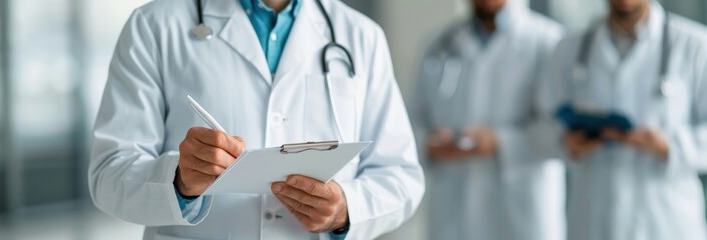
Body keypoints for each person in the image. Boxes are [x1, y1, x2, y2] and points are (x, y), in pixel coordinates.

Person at [88, 0, 425, 239]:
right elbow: (109, 175)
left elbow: (402, 178)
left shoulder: (361, 35)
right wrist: (179, 182)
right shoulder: (153, 25)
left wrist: (345, 209)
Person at [540, 0, 707, 239]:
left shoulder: (696, 45)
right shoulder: (568, 49)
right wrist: (564, 142)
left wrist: (671, 146)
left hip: (666, 225)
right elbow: (542, 125)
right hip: (592, 221)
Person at [413, 0, 565, 239]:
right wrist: (428, 144)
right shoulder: (438, 44)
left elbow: (560, 133)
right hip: (452, 213)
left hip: (521, 214)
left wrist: (499, 142)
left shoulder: (549, 41)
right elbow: (410, 125)